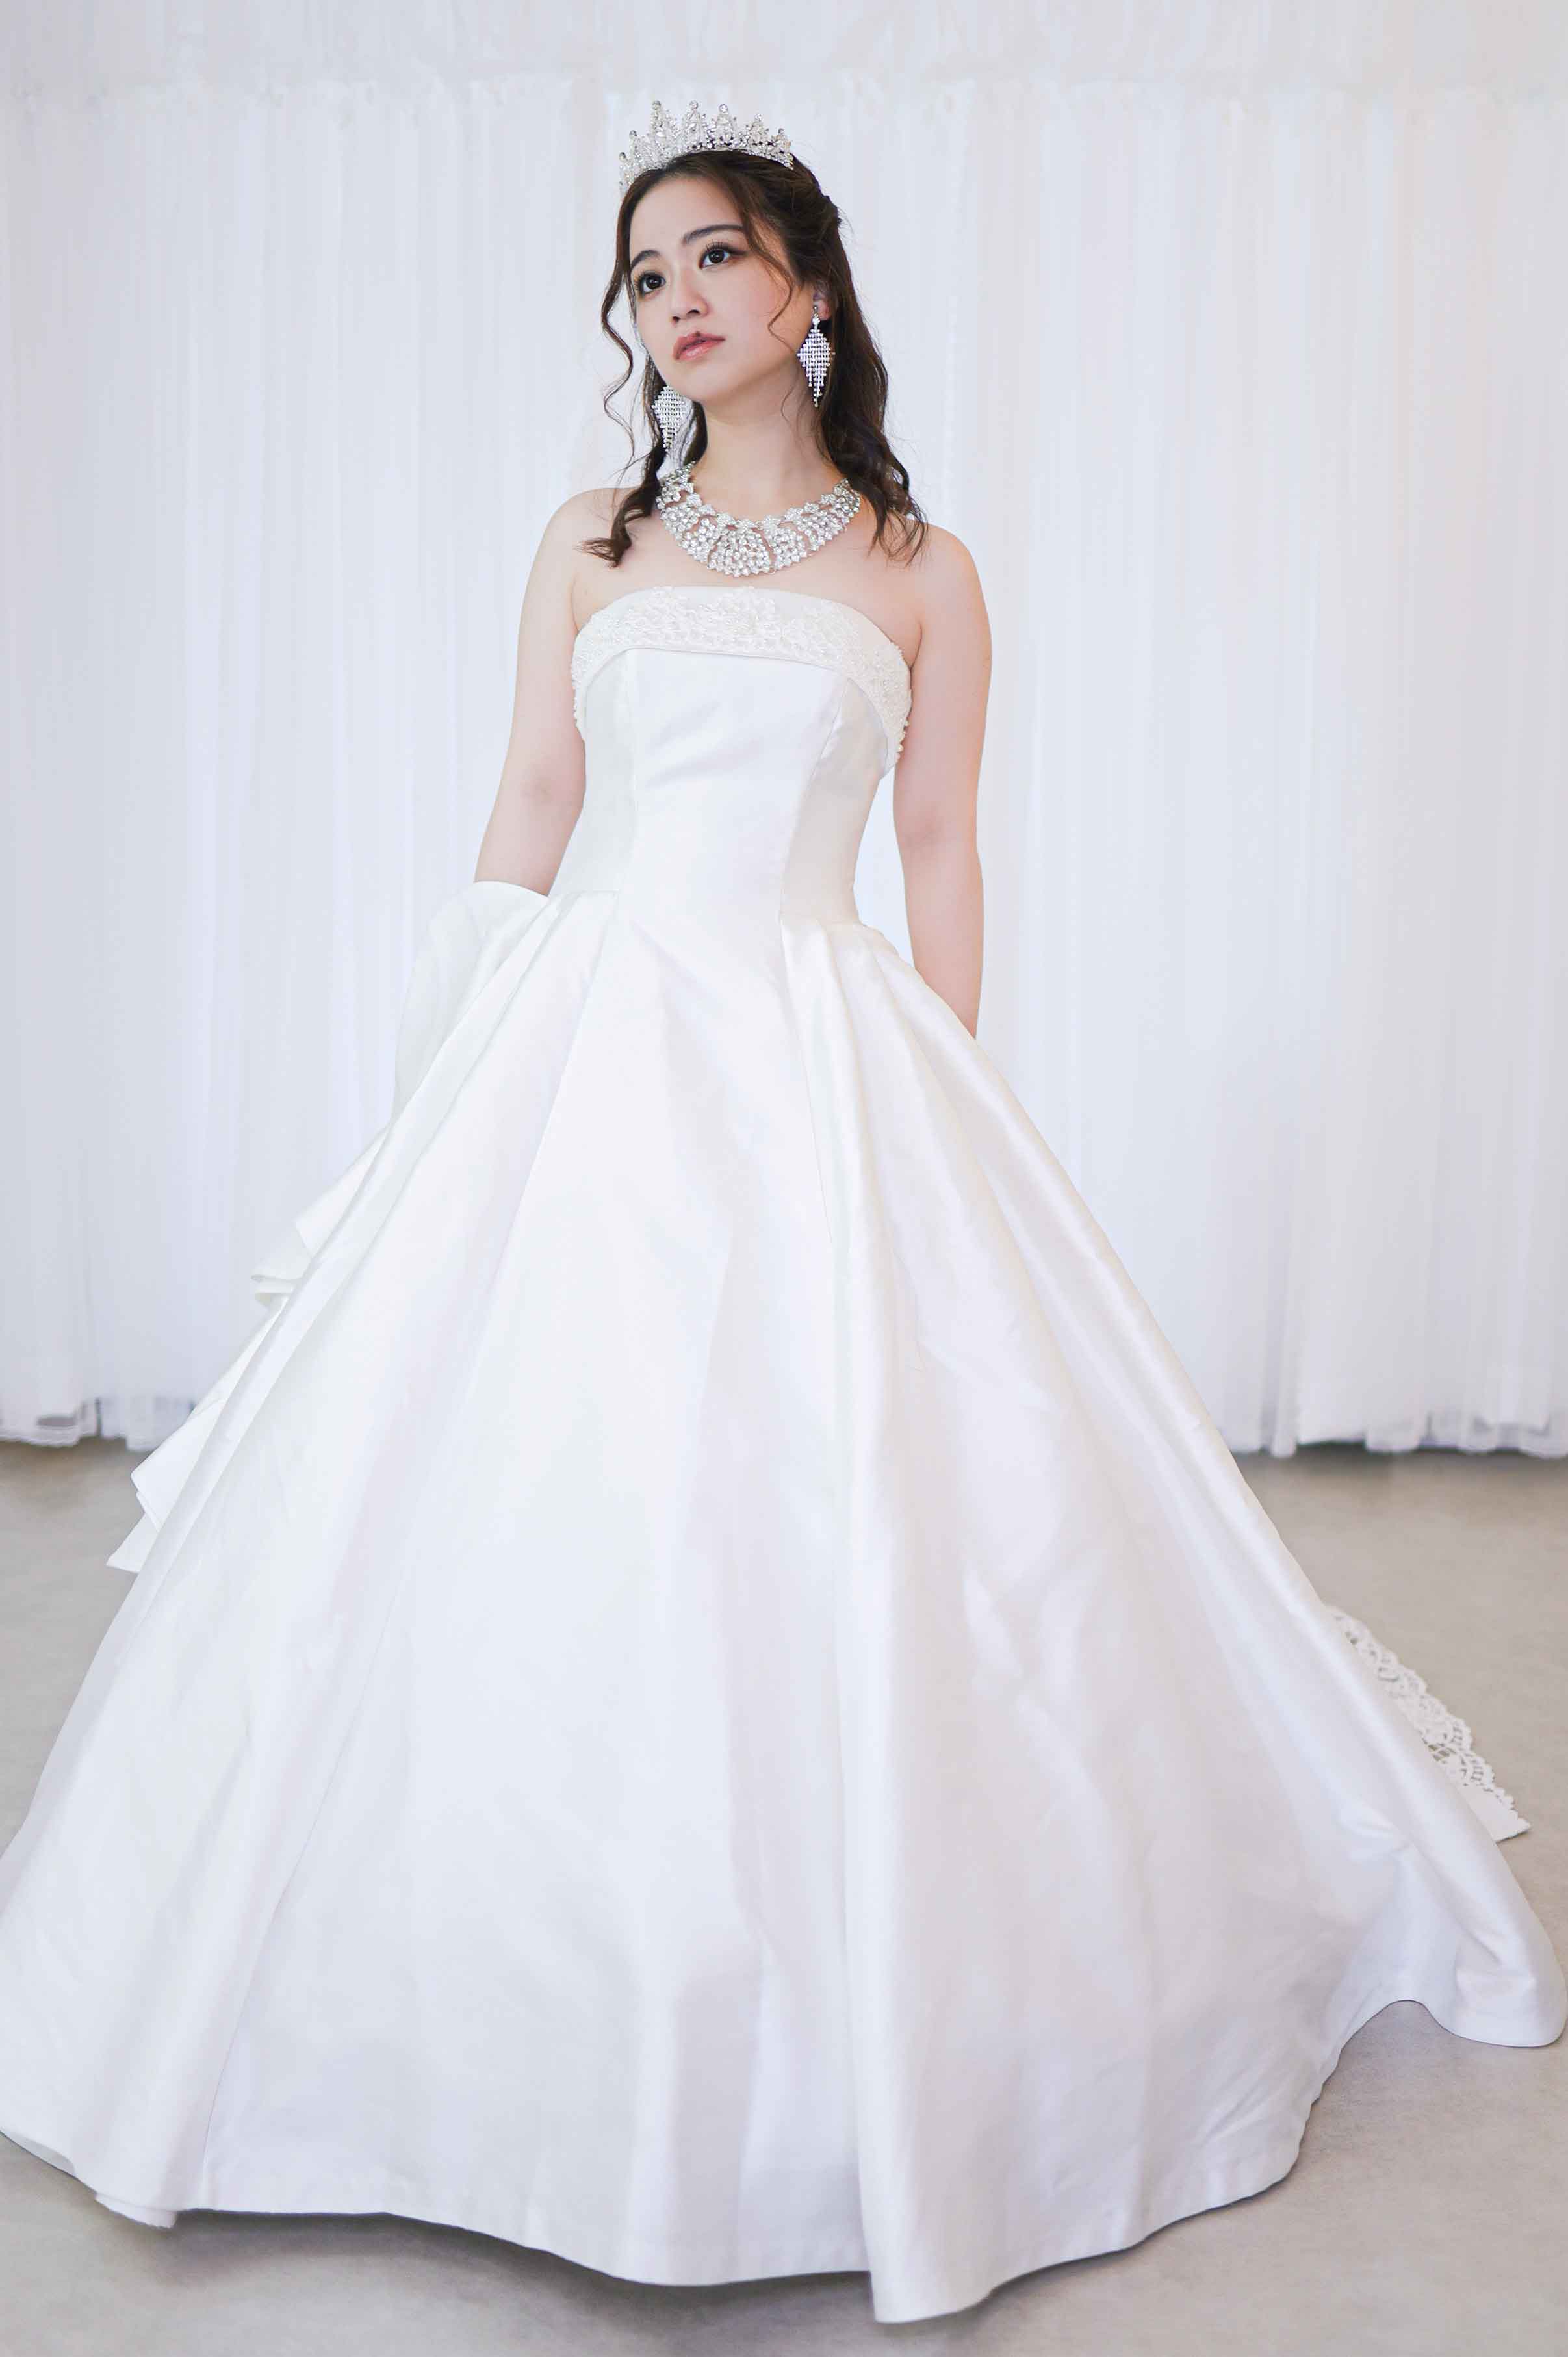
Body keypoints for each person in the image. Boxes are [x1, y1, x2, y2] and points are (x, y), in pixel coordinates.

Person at [0, 100, 1561, 2330]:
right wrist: (448, 1070)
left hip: (819, 1043)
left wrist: (951, 1098)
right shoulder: (590, 541)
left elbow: (939, 846)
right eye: (648, 275)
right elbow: (535, 797)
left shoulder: (922, 569)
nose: (680, 300)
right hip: (583, 1045)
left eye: (717, 256)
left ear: (809, 289)